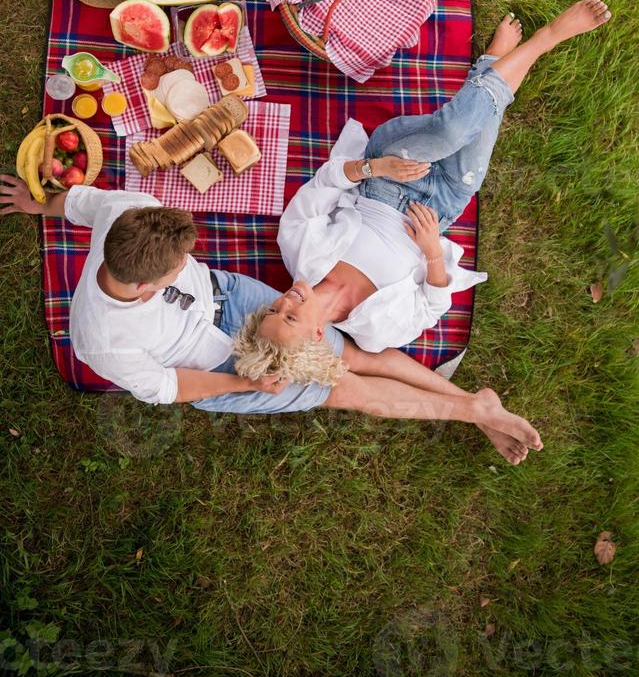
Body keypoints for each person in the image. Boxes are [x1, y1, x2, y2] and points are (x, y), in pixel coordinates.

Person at [0, 180, 545, 464]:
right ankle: (473, 409)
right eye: (176, 268)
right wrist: (248, 382)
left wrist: (37, 203)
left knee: (347, 353)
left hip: (232, 296)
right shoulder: (101, 340)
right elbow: (171, 387)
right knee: (343, 389)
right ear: (145, 288)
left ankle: (478, 407)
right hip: (222, 364)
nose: (185, 263)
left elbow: (84, 203)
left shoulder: (131, 214)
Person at [240, 0, 611, 358]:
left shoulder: (297, 250)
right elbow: (433, 305)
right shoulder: (375, 333)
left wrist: (377, 168)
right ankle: (491, 64)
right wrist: (433, 252)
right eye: (290, 317)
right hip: (443, 205)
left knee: (451, 132)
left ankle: (547, 37)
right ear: (317, 335)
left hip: (385, 177)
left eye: (273, 309)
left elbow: (327, 182)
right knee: (477, 136)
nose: (286, 300)